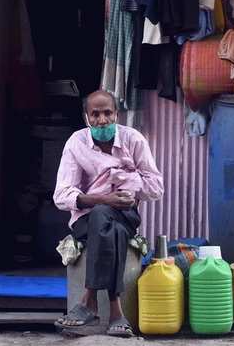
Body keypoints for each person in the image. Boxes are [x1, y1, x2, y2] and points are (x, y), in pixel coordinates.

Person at [53, 90, 163, 337]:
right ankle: (115, 311)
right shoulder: (76, 143)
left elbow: (156, 188)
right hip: (85, 219)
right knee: (106, 219)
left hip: (125, 214)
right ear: (86, 118)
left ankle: (88, 300)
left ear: (116, 115)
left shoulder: (133, 140)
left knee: (108, 219)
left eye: (107, 113)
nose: (102, 119)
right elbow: (61, 196)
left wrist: (121, 177)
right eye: (95, 114)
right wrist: (104, 198)